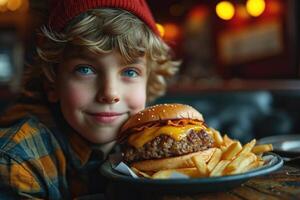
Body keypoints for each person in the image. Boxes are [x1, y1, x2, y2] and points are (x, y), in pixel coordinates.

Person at [0, 0, 179, 199]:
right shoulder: (18, 162)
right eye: (85, 69)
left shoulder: (152, 148)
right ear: (52, 82)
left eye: (130, 71)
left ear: (148, 83)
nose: (110, 93)